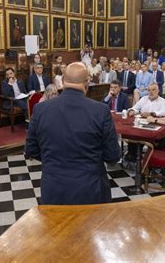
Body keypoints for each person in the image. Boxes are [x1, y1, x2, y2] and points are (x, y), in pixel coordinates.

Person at [25, 62, 120, 205]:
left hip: (54, 187)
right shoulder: (100, 111)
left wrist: (54, 161)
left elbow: (31, 149)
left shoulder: (40, 110)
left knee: (58, 228)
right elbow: (112, 156)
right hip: (90, 188)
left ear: (62, 81)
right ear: (87, 83)